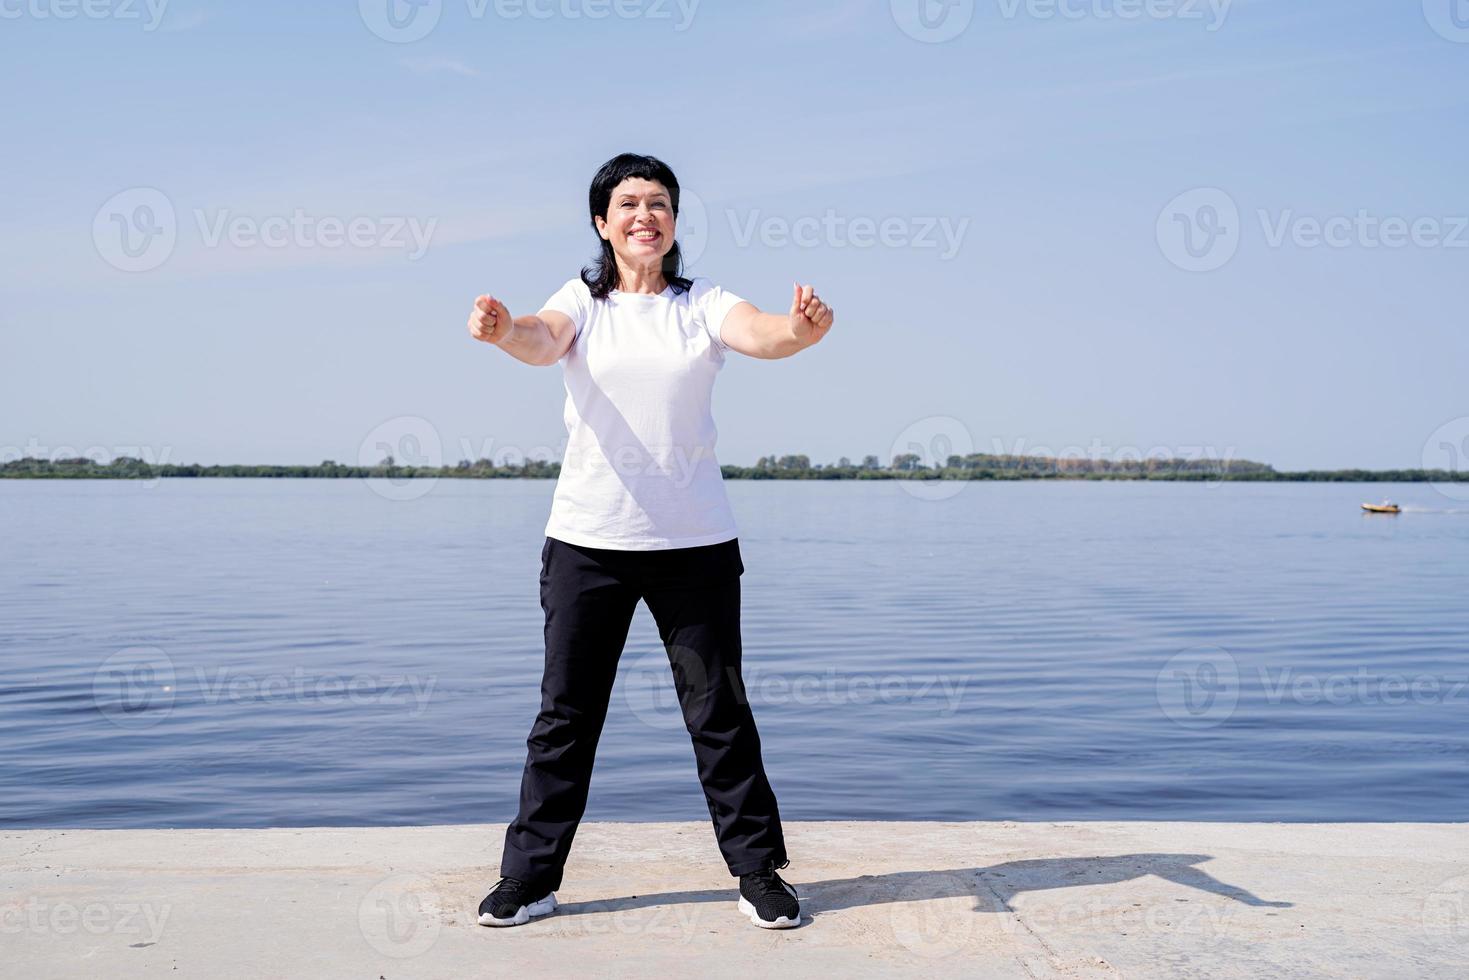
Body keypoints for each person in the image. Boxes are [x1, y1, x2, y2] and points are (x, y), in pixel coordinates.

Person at [465, 153, 834, 930]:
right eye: (628, 203)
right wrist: (503, 333)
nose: (644, 214)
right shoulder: (583, 303)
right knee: (565, 715)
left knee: (718, 711)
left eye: (658, 202)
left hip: (694, 547)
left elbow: (762, 335)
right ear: (602, 223)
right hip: (587, 542)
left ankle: (758, 872)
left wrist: (797, 331)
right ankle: (529, 879)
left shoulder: (702, 304)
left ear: (673, 221)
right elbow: (540, 338)